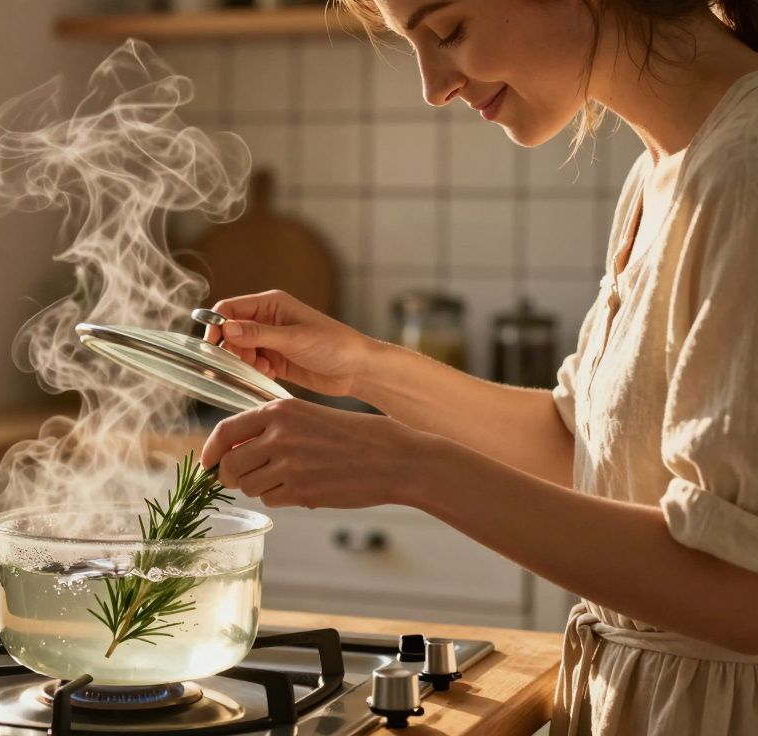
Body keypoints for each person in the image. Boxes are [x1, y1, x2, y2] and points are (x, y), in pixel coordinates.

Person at [197, 1, 758, 733]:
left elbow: (742, 589)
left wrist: (410, 469)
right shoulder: (667, 168)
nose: (433, 87)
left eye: (449, 30)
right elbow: (581, 450)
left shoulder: (743, 174)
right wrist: (363, 367)